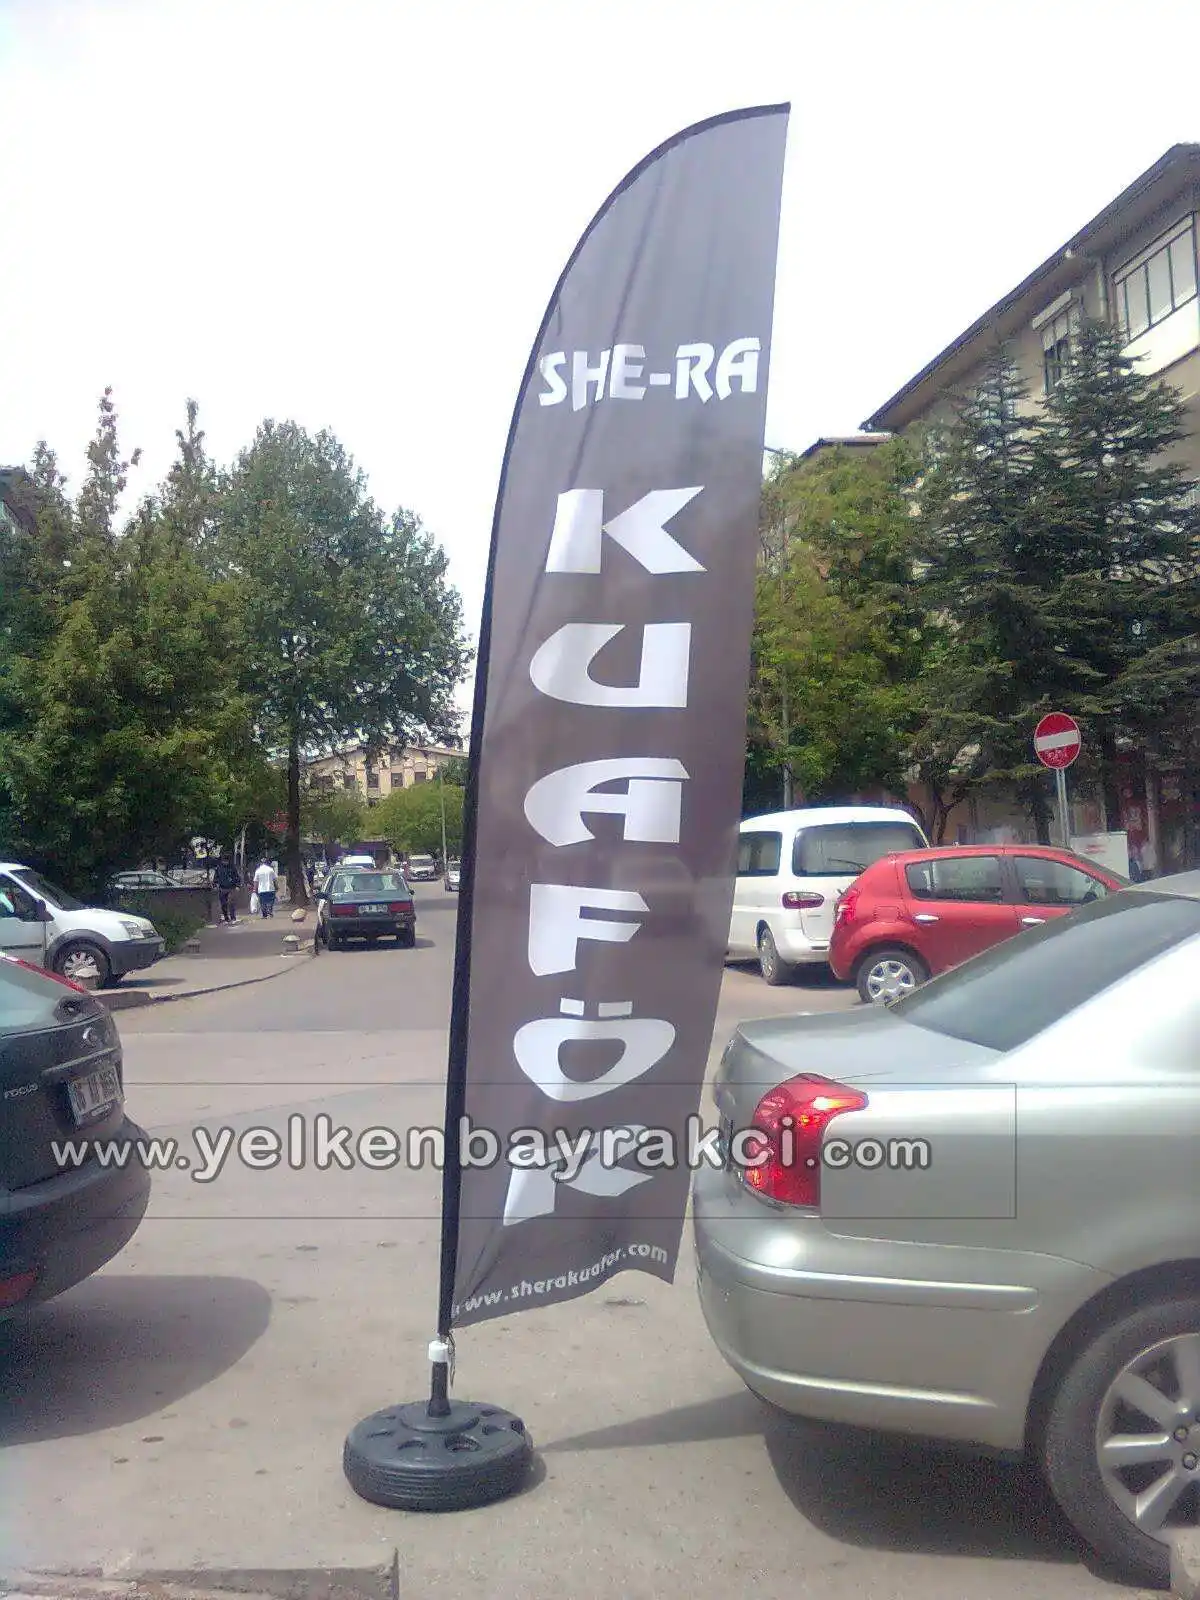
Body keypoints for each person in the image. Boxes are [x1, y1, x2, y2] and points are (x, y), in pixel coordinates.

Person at [213, 853, 241, 924]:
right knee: (223, 904)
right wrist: (215, 885)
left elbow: (237, 877)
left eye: (226, 861)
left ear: (228, 861)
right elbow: (216, 877)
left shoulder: (232, 868)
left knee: (231, 903)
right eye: (224, 861)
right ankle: (226, 918)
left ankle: (233, 917)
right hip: (222, 888)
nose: (225, 862)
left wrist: (237, 886)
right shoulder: (219, 868)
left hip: (231, 888)